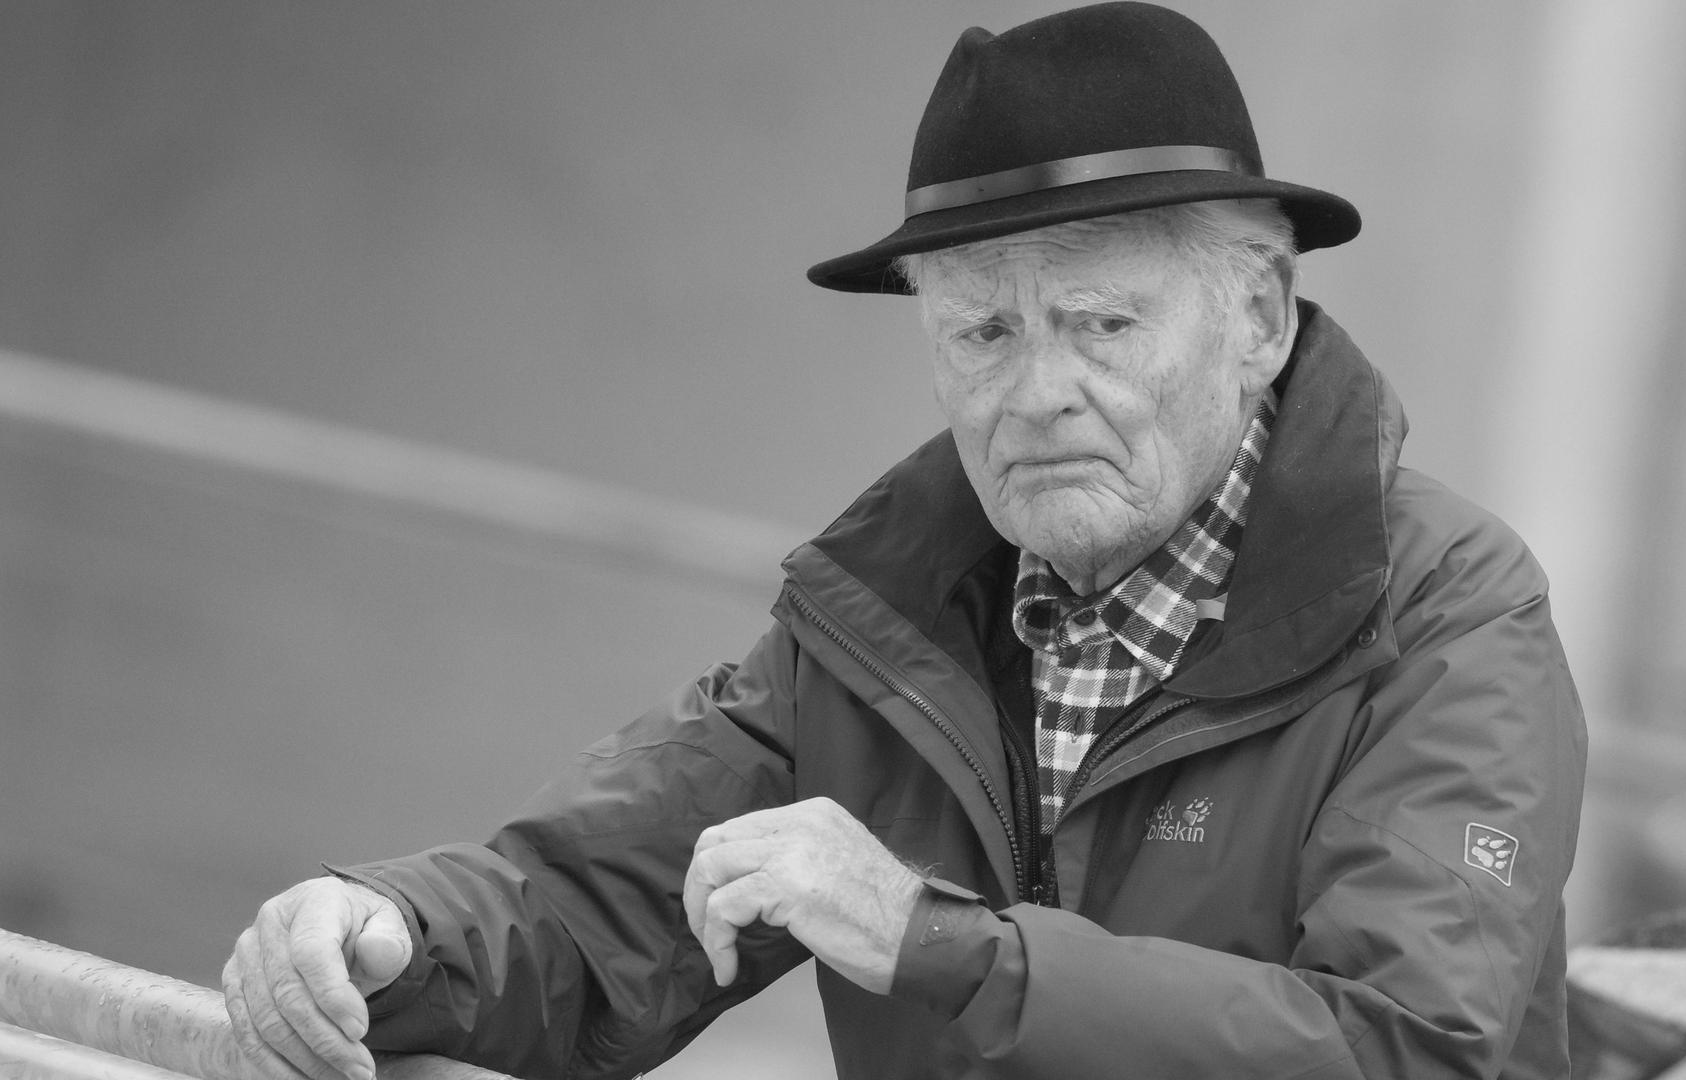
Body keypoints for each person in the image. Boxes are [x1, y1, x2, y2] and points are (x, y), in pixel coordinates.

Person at [222, 4, 1587, 1079]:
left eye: (1102, 325)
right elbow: (604, 908)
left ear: (1259, 319)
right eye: (982, 333)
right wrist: (384, 934)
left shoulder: (1446, 611)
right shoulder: (890, 617)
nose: (1038, 392)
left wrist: (937, 947)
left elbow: (1405, 1050)